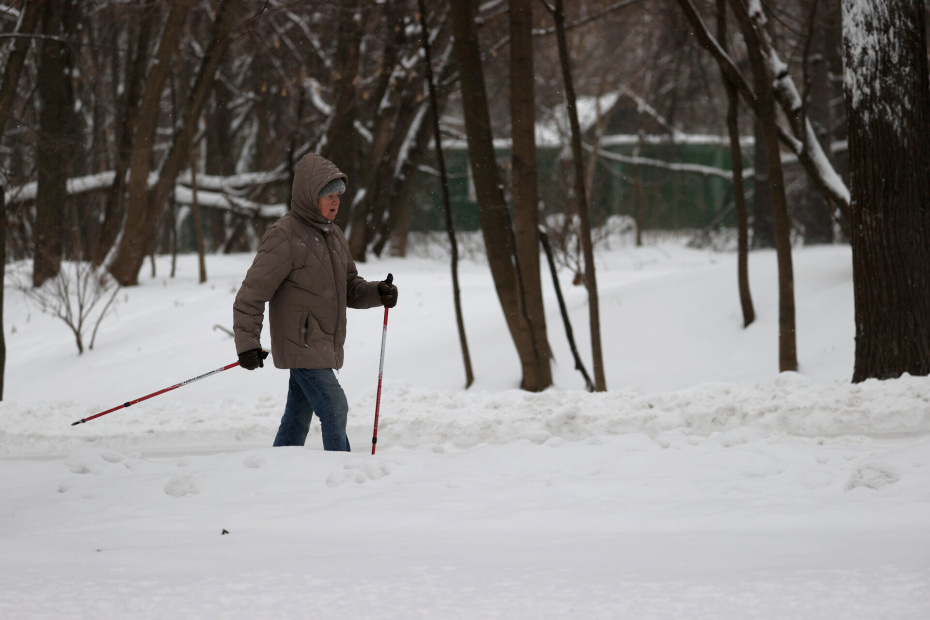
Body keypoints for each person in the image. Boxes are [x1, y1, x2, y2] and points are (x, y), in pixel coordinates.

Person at [232, 153, 398, 451]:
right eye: (328, 196)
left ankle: (278, 471)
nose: (335, 202)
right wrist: (247, 343)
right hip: (302, 343)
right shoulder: (284, 236)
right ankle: (343, 474)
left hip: (323, 345)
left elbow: (349, 288)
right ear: (310, 197)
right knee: (335, 407)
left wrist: (378, 292)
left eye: (338, 196)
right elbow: (252, 293)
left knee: (297, 418)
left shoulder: (334, 236)